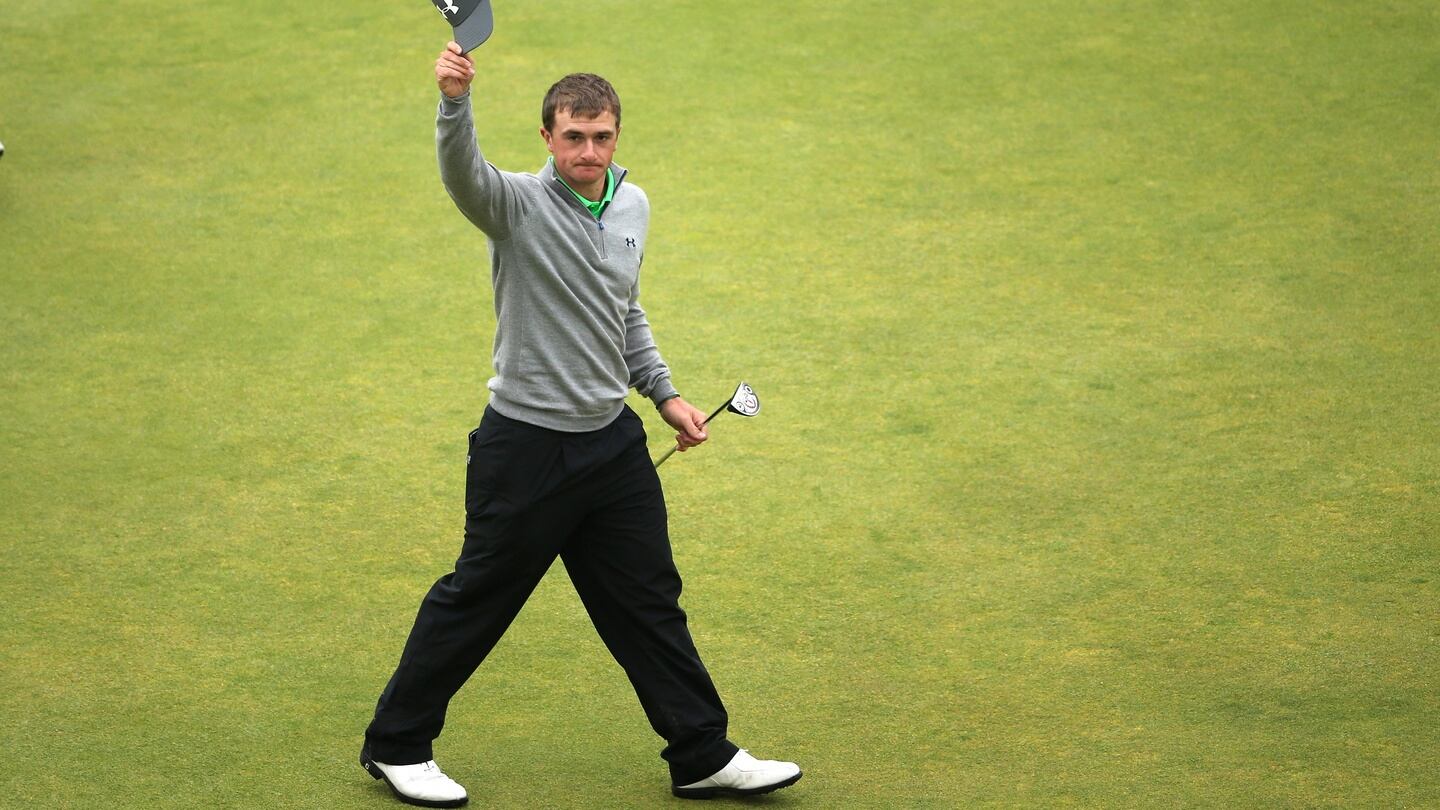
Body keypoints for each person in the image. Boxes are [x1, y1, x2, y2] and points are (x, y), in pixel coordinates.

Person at [358, 41, 802, 808]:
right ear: (547, 138)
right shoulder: (515, 204)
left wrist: (664, 396)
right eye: (573, 136)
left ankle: (701, 753)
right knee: (477, 598)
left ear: (616, 136)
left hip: (612, 448)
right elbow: (462, 173)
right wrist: (454, 101)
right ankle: (397, 746)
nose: (587, 150)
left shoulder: (633, 206)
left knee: (648, 602)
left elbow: (623, 311)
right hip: (525, 447)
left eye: (601, 136)